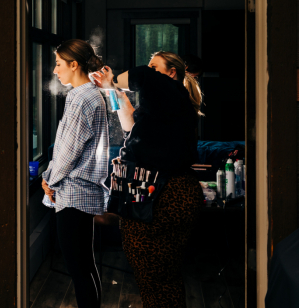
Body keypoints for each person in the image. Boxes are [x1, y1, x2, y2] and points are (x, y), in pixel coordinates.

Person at [92, 51, 203, 308]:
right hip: (166, 194)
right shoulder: (164, 107)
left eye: (157, 67)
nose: (151, 71)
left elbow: (141, 74)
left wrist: (112, 81)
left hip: (164, 197)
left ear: (171, 73)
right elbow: (129, 124)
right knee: (162, 277)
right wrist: (112, 91)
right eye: (152, 67)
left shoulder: (172, 93)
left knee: (156, 279)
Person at [41, 39, 109, 308]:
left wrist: (49, 179)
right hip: (85, 192)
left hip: (74, 193)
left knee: (79, 269)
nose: (56, 71)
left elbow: (68, 150)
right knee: (86, 266)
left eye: (58, 64)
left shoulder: (80, 97)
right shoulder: (93, 94)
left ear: (74, 64)